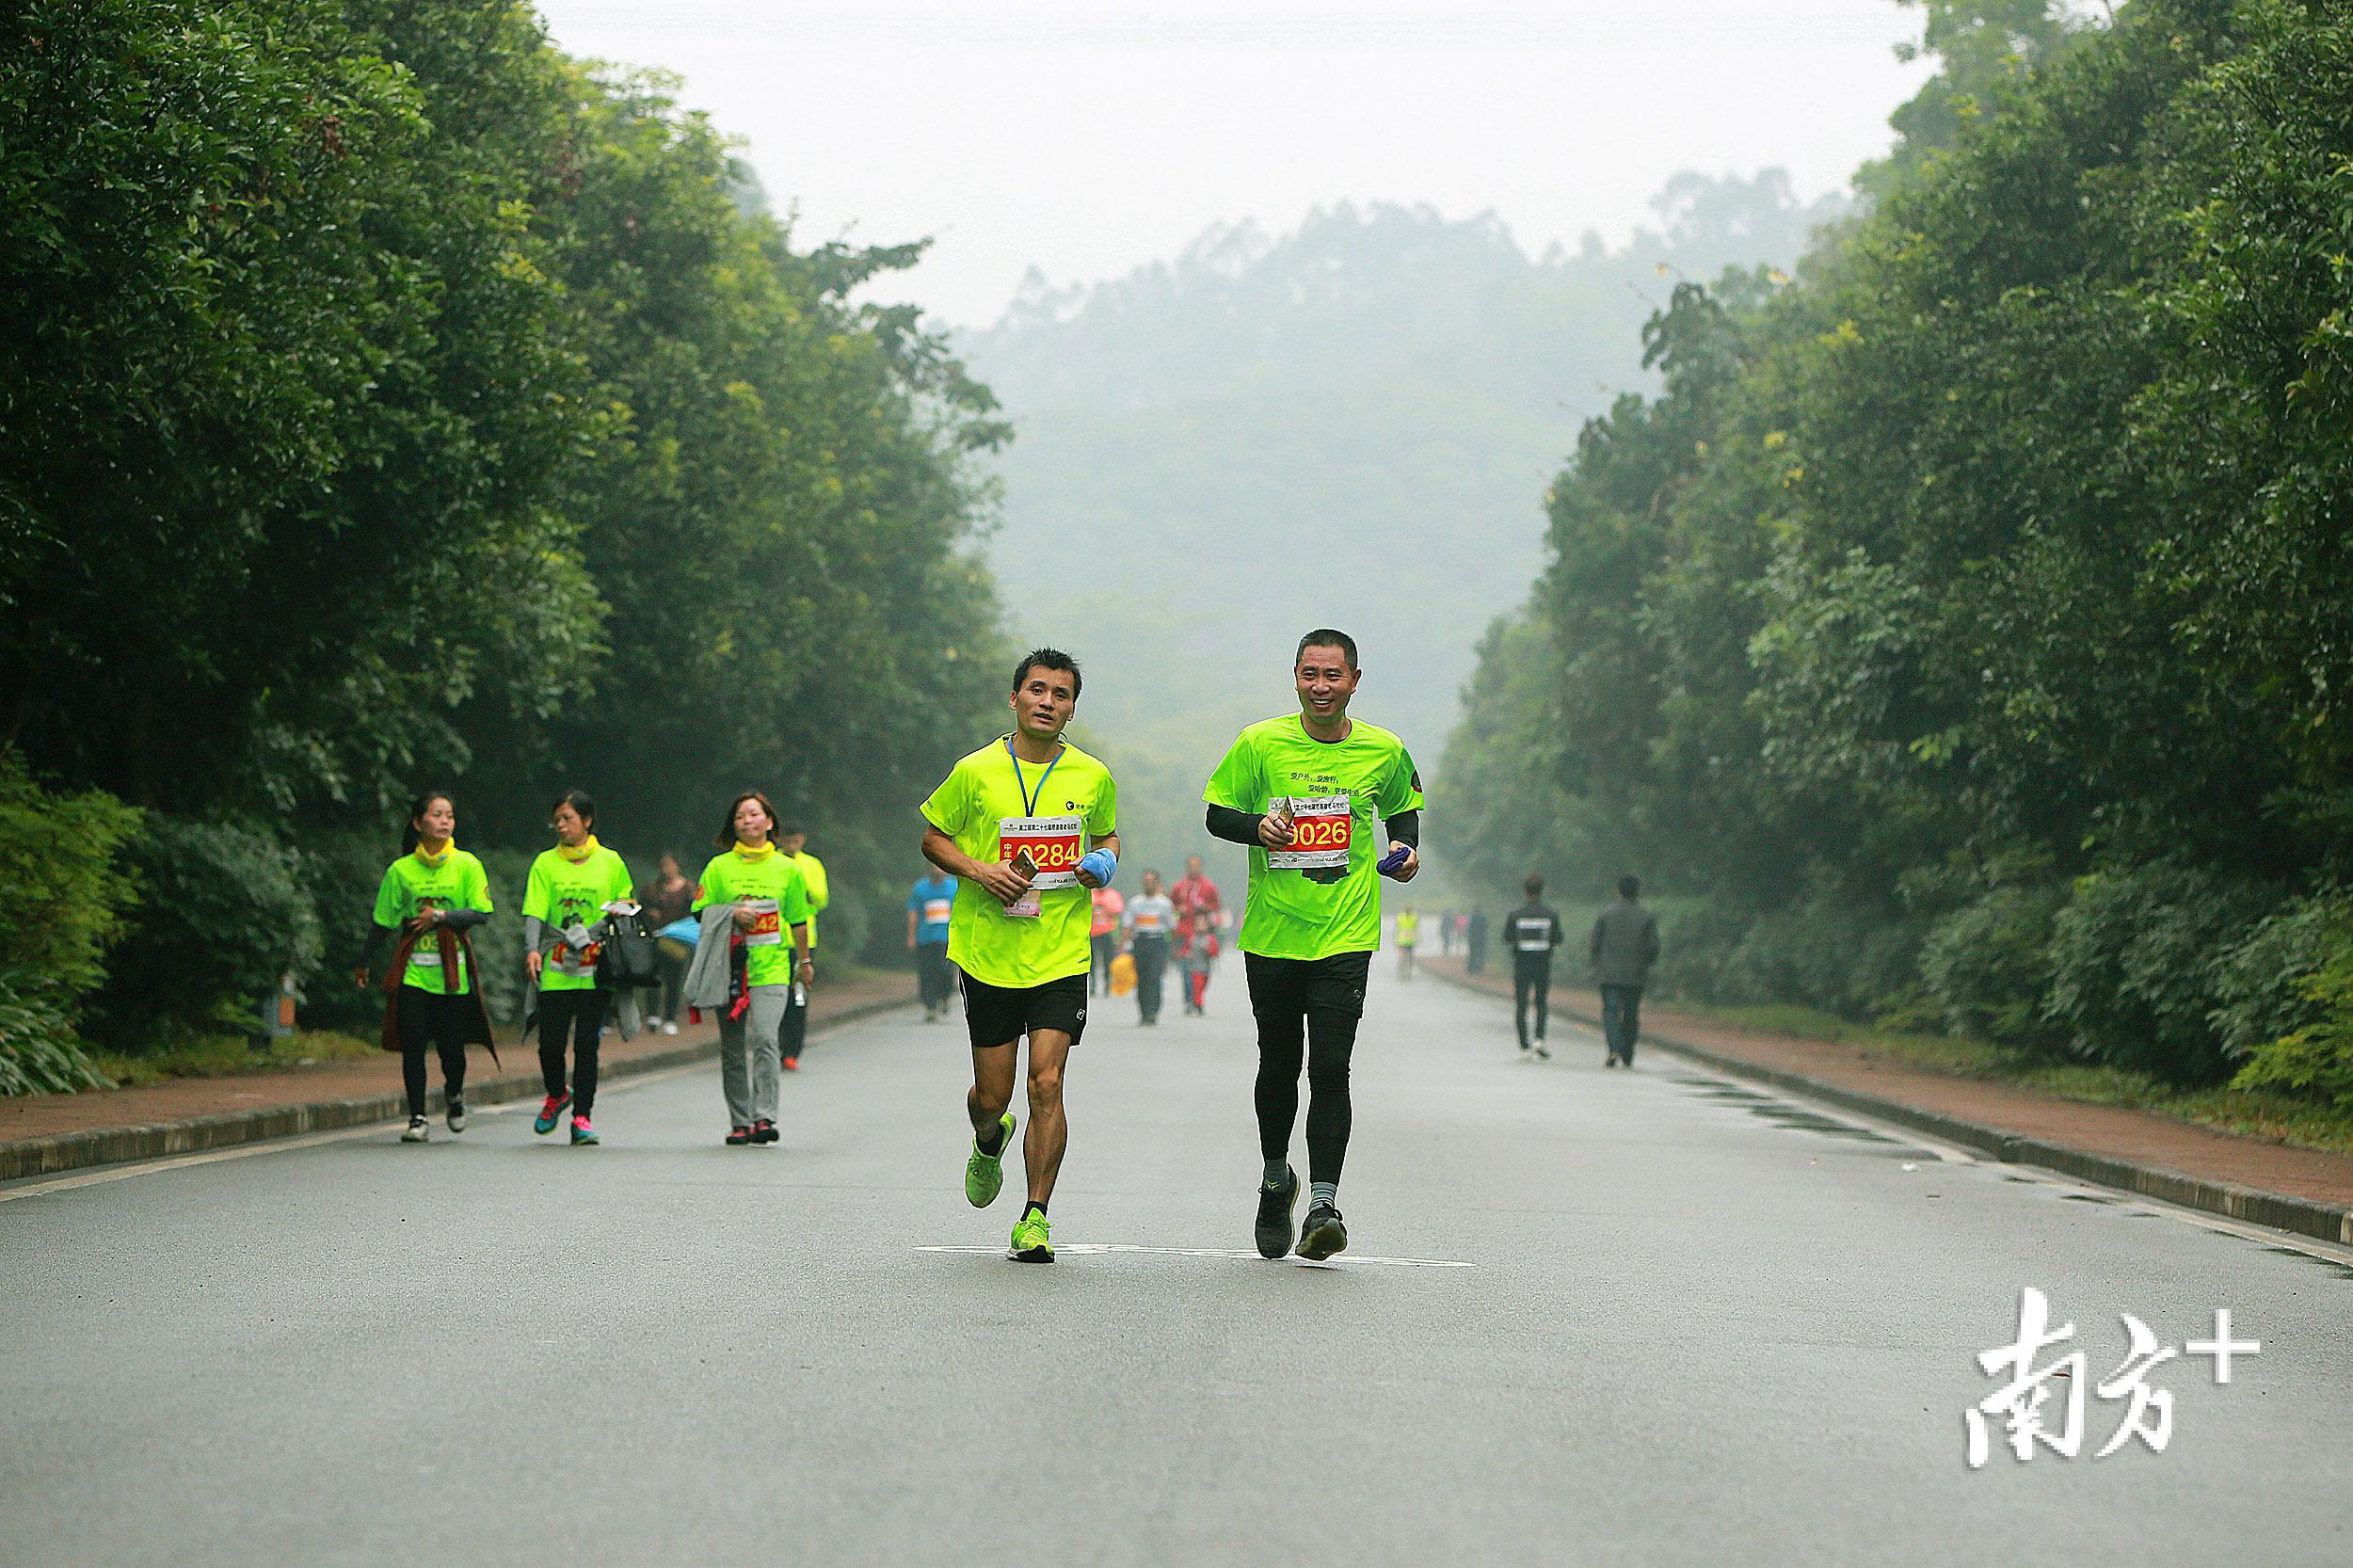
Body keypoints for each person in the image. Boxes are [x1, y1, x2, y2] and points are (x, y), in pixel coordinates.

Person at [1204, 628, 1421, 1262]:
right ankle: (1278, 1180)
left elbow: (1402, 811)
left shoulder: (1384, 749)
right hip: (1272, 932)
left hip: (1346, 934)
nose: (1321, 687)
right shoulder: (1260, 742)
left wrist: (1404, 851)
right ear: (1294, 678)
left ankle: (1324, 1205)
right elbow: (1217, 811)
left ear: (1355, 680)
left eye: (1333, 676)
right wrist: (1258, 826)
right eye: (1310, 675)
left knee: (1330, 1067)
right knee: (1277, 1064)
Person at [920, 648, 1119, 1263]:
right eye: (1037, 690)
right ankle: (987, 1141)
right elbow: (933, 837)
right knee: (993, 1095)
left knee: (1048, 1082)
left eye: (1060, 695)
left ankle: (1035, 1218)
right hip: (988, 953)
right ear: (1015, 697)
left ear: (1071, 708)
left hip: (1060, 953)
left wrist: (1103, 862)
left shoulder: (1093, 776)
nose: (1047, 702)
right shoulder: (975, 771)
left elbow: (1107, 833)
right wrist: (981, 870)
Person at [353, 791, 495, 1144]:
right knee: (413, 1044)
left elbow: (481, 913)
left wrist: (442, 917)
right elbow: (383, 921)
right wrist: (364, 960)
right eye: (437, 814)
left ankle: (455, 1095)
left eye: (449, 815)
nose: (445, 821)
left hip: (452, 974)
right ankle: (417, 1117)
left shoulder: (467, 865)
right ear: (418, 823)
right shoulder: (400, 870)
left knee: (451, 1048)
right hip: (413, 971)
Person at [692, 792, 814, 1144]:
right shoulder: (718, 868)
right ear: (734, 826)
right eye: (740, 816)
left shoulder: (787, 869)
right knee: (732, 1046)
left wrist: (804, 962)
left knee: (764, 1037)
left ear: (769, 822)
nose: (748, 821)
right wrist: (732, 912)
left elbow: (798, 920)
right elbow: (700, 910)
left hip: (772, 967)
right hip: (728, 968)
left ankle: (765, 1117)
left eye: (754, 814)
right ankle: (740, 1121)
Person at [521, 791, 634, 1145]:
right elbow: (534, 911)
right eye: (557, 818)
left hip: (595, 966)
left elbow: (626, 903)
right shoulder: (545, 863)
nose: (561, 825)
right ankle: (557, 1094)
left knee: (588, 1045)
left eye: (568, 818)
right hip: (556, 963)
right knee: (549, 1045)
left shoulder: (611, 861)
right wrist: (531, 949)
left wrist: (602, 925)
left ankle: (582, 1118)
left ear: (587, 820)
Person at [774, 822, 828, 1070]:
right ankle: (775, 1046)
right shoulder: (771, 863)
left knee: (798, 997)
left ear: (802, 839)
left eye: (795, 840)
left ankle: (792, 1051)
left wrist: (799, 879)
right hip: (773, 941)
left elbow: (820, 898)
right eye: (787, 840)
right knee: (775, 997)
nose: (791, 844)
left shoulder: (812, 865)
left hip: (803, 942)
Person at [1592, 874, 1661, 1068]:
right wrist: (1645, 964)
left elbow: (1595, 945)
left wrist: (1598, 966)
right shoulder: (1646, 916)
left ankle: (1614, 1047)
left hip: (1609, 973)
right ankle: (1628, 1052)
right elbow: (1653, 947)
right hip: (1635, 974)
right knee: (1631, 1013)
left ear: (1618, 891)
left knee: (1611, 1011)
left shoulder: (1605, 915)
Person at [1507, 874, 1565, 1059]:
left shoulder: (1516, 914)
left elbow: (1508, 937)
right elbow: (1558, 938)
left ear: (1525, 891)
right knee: (1541, 1002)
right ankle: (1539, 1039)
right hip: (1543, 964)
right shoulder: (1551, 914)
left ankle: (1524, 1045)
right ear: (1542, 891)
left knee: (1521, 1003)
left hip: (1522, 964)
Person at [641, 851, 696, 1033]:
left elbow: (695, 912)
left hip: (677, 940)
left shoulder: (688, 889)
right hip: (656, 938)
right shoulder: (653, 889)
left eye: (669, 865)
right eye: (663, 865)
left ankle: (670, 1017)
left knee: (674, 978)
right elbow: (642, 907)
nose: (666, 869)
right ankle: (653, 1014)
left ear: (677, 865)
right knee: (653, 976)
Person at [1123, 870, 1176, 1025]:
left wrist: (1173, 947)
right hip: (1141, 941)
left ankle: (1153, 1010)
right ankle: (1144, 1011)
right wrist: (1124, 945)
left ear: (1157, 883)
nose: (1148, 884)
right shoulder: (1135, 903)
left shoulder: (1164, 903)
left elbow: (1172, 926)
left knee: (1154, 977)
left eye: (1152, 881)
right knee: (1142, 978)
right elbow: (1127, 926)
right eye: (1146, 881)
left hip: (1157, 942)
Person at [908, 865, 957, 1020]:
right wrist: (911, 936)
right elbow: (913, 912)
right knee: (927, 973)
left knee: (946, 971)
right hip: (926, 938)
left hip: (947, 938)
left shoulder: (953, 887)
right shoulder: (920, 888)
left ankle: (944, 995)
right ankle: (930, 1007)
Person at [1088, 883, 1127, 996]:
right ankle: (1093, 985)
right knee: (1092, 961)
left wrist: (1104, 905)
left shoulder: (1112, 894)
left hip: (1107, 932)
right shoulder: (1090, 893)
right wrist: (1095, 905)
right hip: (1092, 932)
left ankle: (1107, 984)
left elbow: (1118, 909)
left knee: (1107, 960)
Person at [1394, 904, 1419, 981]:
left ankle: (1408, 972)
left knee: (1410, 958)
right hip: (1402, 940)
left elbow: (1417, 928)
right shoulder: (1400, 916)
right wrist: (1396, 941)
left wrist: (1417, 939)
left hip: (1411, 940)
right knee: (1402, 958)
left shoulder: (1414, 917)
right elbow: (1397, 928)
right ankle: (1400, 972)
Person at [1465, 907, 1489, 975]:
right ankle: (1479, 969)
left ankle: (1471, 969)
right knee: (1480, 954)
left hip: (1473, 939)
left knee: (1472, 954)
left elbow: (1469, 929)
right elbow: (1485, 928)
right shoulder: (1483, 918)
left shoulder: (1471, 918)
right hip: (1481, 939)